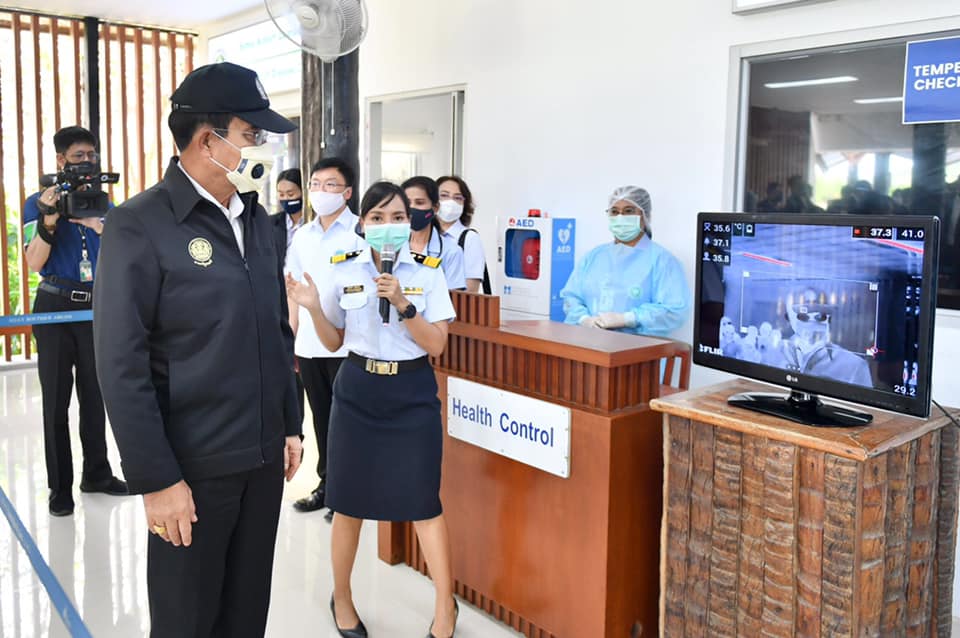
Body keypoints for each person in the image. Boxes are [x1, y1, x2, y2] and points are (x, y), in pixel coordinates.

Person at [92, 62, 303, 637]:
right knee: (187, 621)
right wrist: (156, 480)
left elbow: (275, 328)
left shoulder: (260, 222)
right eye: (252, 134)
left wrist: (288, 422)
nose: (262, 146)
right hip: (192, 470)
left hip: (261, 463)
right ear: (209, 141)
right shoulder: (140, 224)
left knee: (244, 616)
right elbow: (120, 362)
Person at [286, 181, 459, 638]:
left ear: (410, 223)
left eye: (397, 218)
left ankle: (446, 606)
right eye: (377, 219)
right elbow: (333, 341)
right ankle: (341, 597)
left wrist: (403, 303)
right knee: (348, 504)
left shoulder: (428, 271)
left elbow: (438, 344)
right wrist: (312, 310)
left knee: (424, 502)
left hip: (412, 393)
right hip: (358, 391)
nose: (387, 227)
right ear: (362, 224)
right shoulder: (344, 268)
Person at [22, 125, 127, 517]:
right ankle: (59, 488)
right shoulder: (38, 202)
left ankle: (97, 474)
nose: (87, 163)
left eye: (92, 155)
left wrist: (98, 224)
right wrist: (51, 220)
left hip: (95, 308)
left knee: (95, 394)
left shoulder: (106, 204)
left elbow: (123, 251)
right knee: (55, 400)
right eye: (79, 156)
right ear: (61, 160)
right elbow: (34, 262)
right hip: (54, 308)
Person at [285, 157, 364, 518]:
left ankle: (349, 491)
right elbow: (293, 290)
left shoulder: (360, 232)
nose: (320, 191)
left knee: (347, 421)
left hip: (350, 345)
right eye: (315, 184)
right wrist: (291, 338)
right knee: (321, 419)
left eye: (330, 185)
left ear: (347, 193)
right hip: (311, 346)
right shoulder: (302, 236)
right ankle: (327, 485)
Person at [560, 186, 690, 336]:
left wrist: (628, 318)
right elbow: (571, 296)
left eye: (628, 211)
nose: (620, 217)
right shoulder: (594, 256)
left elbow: (675, 311)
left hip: (638, 353)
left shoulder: (662, 261)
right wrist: (584, 319)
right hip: (590, 346)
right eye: (614, 212)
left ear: (644, 215)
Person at [770, 287, 872, 387]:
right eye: (804, 315)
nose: (812, 321)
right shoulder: (769, 355)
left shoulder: (855, 366)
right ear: (790, 318)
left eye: (819, 316)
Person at [402, 175, 467, 290]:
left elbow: (454, 300)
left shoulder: (451, 252)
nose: (412, 208)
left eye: (419, 203)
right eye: (407, 203)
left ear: (435, 208)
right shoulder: (393, 247)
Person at [436, 175, 490, 293]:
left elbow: (470, 291)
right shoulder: (426, 235)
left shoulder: (469, 238)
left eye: (457, 198)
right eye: (444, 195)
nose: (451, 202)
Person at [273, 167, 305, 260]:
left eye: (290, 194)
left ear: (303, 192)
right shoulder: (270, 223)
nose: (286, 199)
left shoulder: (315, 222)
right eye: (281, 195)